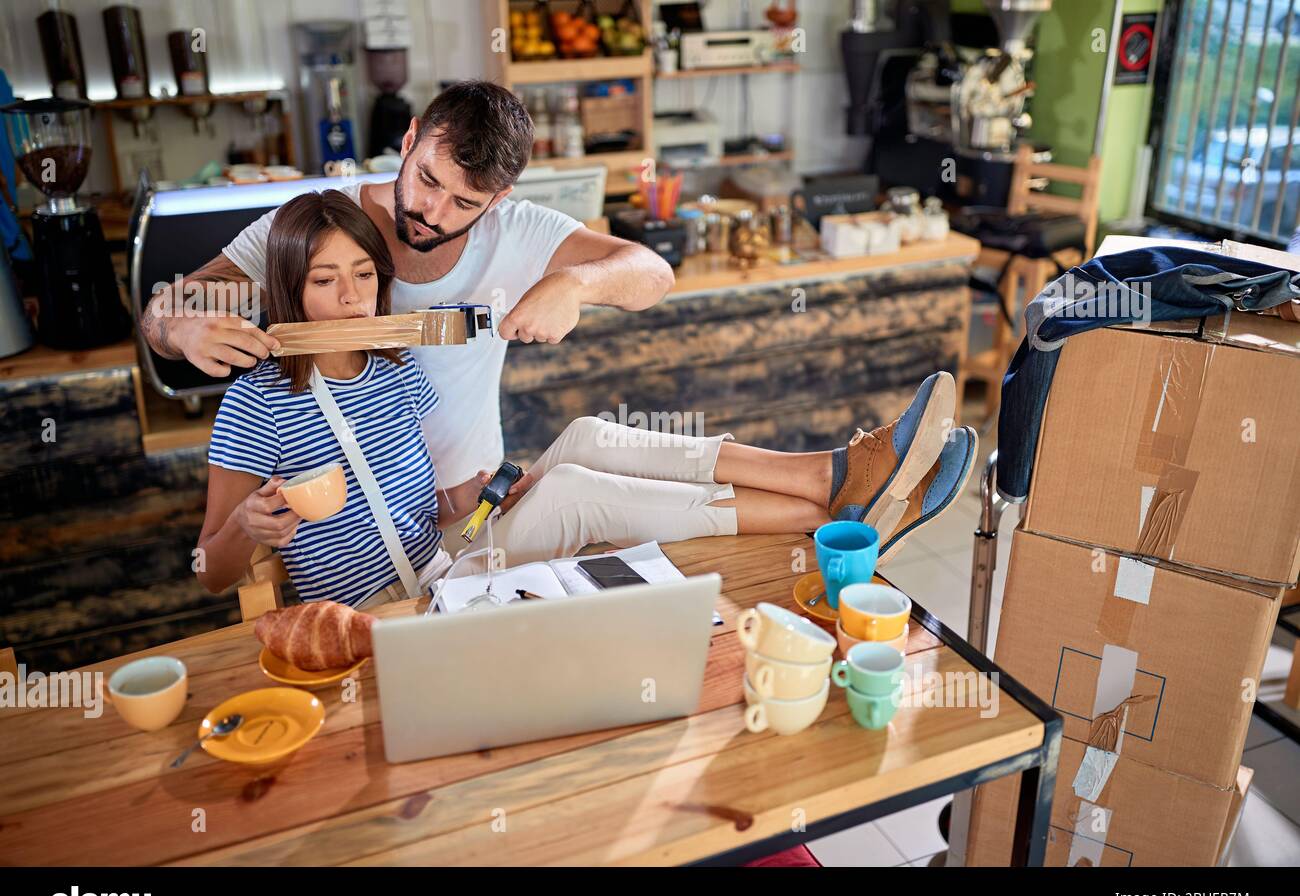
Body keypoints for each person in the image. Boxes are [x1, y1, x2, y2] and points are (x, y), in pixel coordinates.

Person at [197, 191, 978, 610]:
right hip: (394, 613)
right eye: (324, 281)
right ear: (287, 288)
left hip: (447, 554)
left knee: (580, 438)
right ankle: (840, 515)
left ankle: (832, 473)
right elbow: (210, 571)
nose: (350, 299)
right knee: (574, 489)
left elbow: (429, 521)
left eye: (364, 277)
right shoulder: (256, 406)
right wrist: (244, 525)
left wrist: (483, 501)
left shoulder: (392, 370)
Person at [142, 80, 674, 499]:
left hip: (470, 501)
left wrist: (573, 283)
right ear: (410, 139)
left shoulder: (518, 230)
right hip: (352, 524)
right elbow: (168, 307)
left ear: (499, 197)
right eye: (428, 179)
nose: (431, 214)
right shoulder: (321, 223)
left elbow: (652, 271)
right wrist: (181, 328)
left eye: (465, 204)